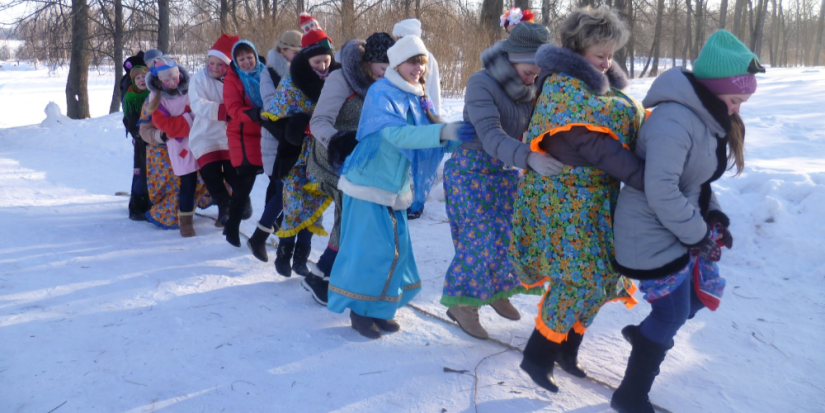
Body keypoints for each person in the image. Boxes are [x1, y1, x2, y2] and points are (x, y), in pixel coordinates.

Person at [610, 30, 760, 413]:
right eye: (735, 99)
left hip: (675, 225)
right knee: (672, 312)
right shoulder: (674, 121)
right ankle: (630, 396)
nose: (737, 109)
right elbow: (661, 189)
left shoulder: (703, 118)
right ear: (714, 89)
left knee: (691, 300)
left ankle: (647, 337)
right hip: (647, 231)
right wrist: (697, 235)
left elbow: (696, 182)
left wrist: (715, 218)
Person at [508, 6, 646, 393]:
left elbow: (613, 128)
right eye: (600, 55)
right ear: (577, 50)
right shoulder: (567, 92)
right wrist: (647, 179)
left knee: (601, 280)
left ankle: (567, 349)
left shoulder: (595, 91)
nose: (607, 63)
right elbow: (598, 146)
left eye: (610, 55)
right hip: (565, 206)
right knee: (577, 281)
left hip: (592, 206)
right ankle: (537, 356)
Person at [326, 35, 475, 339]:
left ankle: (379, 309)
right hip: (368, 181)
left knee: (397, 250)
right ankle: (359, 310)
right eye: (411, 61)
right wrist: (443, 131)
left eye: (421, 62)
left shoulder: (417, 95)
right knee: (372, 251)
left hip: (393, 185)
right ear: (396, 63)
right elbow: (398, 135)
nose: (418, 68)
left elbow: (430, 134)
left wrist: (465, 137)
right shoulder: (382, 92)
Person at [441, 23, 561, 340]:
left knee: (506, 238)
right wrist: (530, 157)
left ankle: (496, 292)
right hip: (471, 171)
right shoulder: (481, 83)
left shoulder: (531, 87)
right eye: (528, 71)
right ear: (510, 59)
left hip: (503, 174)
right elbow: (491, 135)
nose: (533, 78)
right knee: (478, 242)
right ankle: (462, 305)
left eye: (538, 73)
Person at [301, 32, 396, 305]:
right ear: (369, 62)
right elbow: (319, 121)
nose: (387, 74)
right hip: (334, 155)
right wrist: (338, 142)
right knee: (353, 214)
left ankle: (330, 273)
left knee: (360, 217)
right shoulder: (341, 78)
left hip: (365, 159)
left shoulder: (387, 81)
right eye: (382, 68)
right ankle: (320, 274)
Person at [259, 12, 339, 278]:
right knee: (294, 204)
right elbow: (274, 112)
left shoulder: (335, 80)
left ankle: (301, 259)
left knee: (314, 206)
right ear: (306, 58)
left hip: (321, 154)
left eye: (326, 60)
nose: (322, 66)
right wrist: (300, 124)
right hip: (296, 155)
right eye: (317, 61)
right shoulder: (293, 82)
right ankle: (284, 254)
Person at [245, 30, 303, 262]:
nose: (299, 56)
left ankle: (270, 230)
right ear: (282, 51)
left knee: (296, 190)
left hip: (300, 138)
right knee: (282, 188)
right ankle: (260, 236)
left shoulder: (306, 70)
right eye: (295, 52)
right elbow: (271, 106)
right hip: (277, 140)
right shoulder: (269, 73)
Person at [146, 54, 205, 237]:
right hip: (180, 146)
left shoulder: (191, 88)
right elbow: (166, 126)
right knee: (188, 182)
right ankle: (185, 220)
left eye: (175, 77)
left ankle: (226, 212)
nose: (173, 82)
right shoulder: (156, 99)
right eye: (167, 79)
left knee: (213, 174)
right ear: (159, 80)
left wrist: (195, 116)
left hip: (201, 138)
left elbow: (200, 107)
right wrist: (189, 118)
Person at [392, 18, 443, 220]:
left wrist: (433, 115)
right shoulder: (398, 56)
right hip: (406, 116)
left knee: (419, 163)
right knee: (404, 161)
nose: (396, 40)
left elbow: (432, 91)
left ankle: (417, 202)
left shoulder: (425, 58)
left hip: (422, 114)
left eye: (399, 37)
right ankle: (404, 200)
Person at [189, 34, 239, 227]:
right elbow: (197, 104)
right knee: (211, 175)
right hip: (205, 135)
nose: (216, 68)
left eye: (221, 65)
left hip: (228, 135)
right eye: (212, 63)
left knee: (234, 174)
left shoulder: (234, 80)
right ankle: (224, 205)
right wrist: (224, 111)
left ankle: (242, 201)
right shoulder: (199, 79)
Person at [223, 39, 266, 247]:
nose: (247, 62)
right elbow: (233, 109)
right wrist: (257, 113)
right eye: (242, 59)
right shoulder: (232, 79)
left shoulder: (265, 72)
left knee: (277, 178)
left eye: (249, 57)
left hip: (266, 131)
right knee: (246, 181)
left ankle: (270, 221)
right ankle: (232, 226)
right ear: (236, 62)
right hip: (242, 133)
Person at [121, 53, 151, 221]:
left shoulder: (152, 94)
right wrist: (136, 134)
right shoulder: (131, 98)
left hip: (154, 138)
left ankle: (151, 202)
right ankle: (136, 206)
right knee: (140, 171)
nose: (141, 80)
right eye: (138, 77)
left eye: (144, 76)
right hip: (140, 140)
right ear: (133, 80)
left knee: (152, 171)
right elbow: (129, 120)